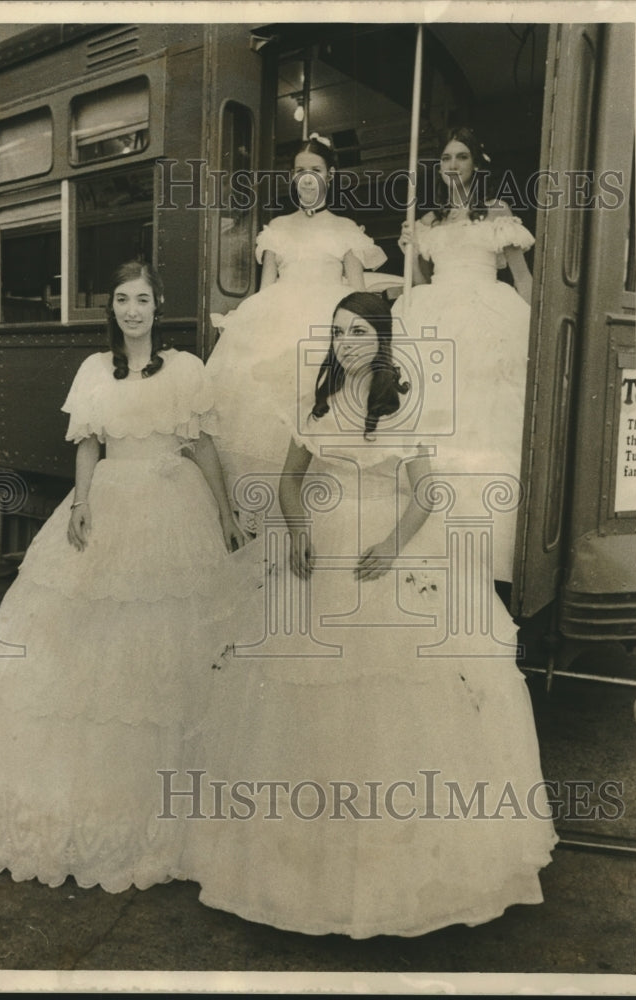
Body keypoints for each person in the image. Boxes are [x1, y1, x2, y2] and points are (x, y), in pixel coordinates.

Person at [177, 292, 556, 938]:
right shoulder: (318, 404)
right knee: (305, 698)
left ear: (381, 340)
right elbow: (292, 483)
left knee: (396, 701)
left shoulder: (401, 401)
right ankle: (300, 871)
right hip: (322, 553)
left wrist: (392, 545)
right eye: (339, 332)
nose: (347, 342)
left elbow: (427, 493)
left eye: (359, 332)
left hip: (386, 555)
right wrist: (296, 531)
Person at [0, 259, 256, 894]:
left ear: (158, 305)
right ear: (112, 310)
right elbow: (89, 444)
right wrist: (84, 503)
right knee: (87, 645)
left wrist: (228, 515)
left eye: (142, 299)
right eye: (121, 299)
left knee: (170, 641)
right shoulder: (96, 370)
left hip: (174, 507)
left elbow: (203, 445)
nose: (132, 310)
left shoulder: (185, 369)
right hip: (112, 503)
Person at [206, 134, 387, 525]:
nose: (307, 179)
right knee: (262, 406)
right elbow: (266, 286)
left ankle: (311, 515)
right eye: (301, 171)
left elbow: (357, 292)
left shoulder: (344, 228)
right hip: (276, 317)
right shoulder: (276, 228)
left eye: (316, 171)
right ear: (293, 177)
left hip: (326, 322)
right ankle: (262, 519)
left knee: (313, 405)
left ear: (330, 176)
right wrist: (246, 329)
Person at [395, 126, 535, 586]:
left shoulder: (496, 213)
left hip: (485, 314)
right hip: (435, 310)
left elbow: (523, 279)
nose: (452, 165)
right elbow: (416, 281)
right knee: (435, 417)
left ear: (477, 165)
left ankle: (486, 556)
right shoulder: (429, 222)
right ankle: (431, 544)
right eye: (446, 158)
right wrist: (408, 252)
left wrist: (537, 329)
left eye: (461, 157)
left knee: (485, 420)